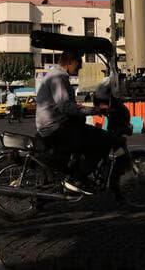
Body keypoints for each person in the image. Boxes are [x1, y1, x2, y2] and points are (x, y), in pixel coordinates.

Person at [35, 51, 111, 195]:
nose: (81, 66)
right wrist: (95, 110)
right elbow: (66, 107)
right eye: (79, 62)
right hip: (55, 127)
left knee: (86, 133)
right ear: (70, 61)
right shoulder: (58, 77)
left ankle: (76, 171)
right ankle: (78, 179)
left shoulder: (56, 75)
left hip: (55, 124)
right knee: (103, 140)